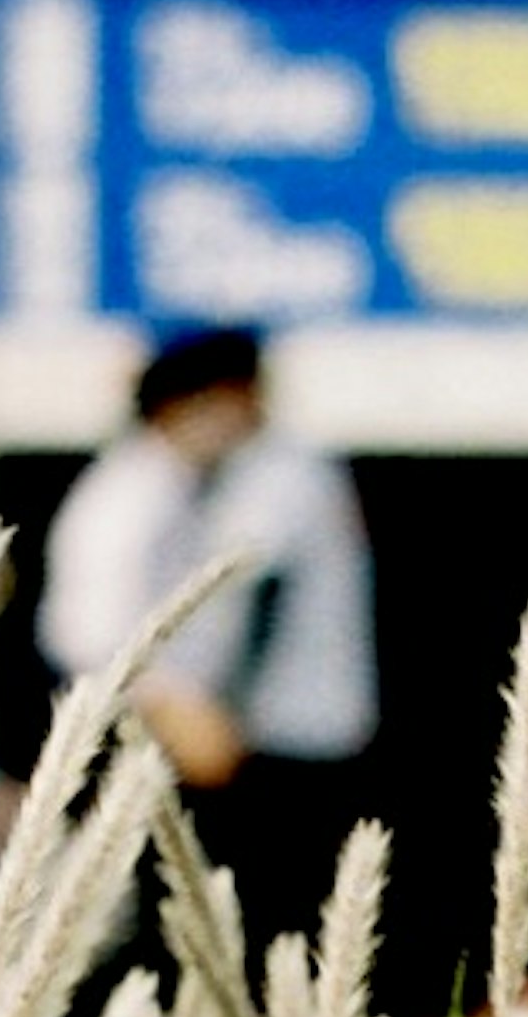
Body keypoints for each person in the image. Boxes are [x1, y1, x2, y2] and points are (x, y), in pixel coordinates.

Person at [37, 323, 376, 954]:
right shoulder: (134, 491)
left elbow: (237, 596)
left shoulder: (261, 475)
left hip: (259, 736)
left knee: (253, 924)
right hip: (192, 726)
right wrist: (184, 707)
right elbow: (102, 628)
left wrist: (200, 709)